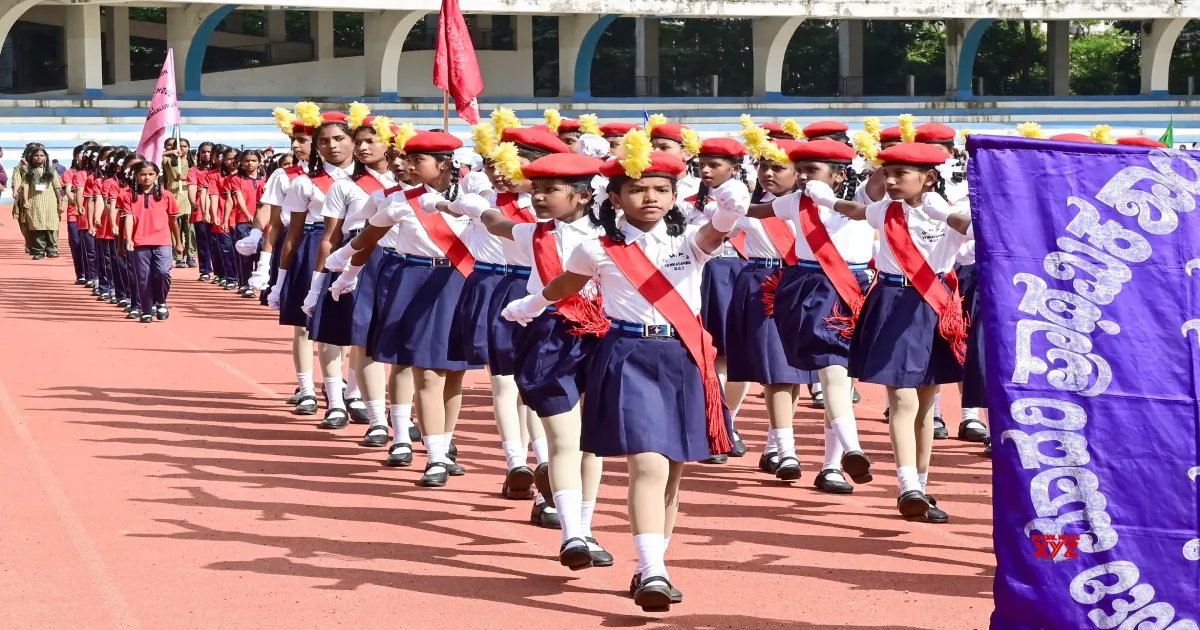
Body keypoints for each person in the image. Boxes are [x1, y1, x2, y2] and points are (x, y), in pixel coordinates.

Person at [502, 132, 742, 612]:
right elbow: (564, 285)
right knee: (648, 463)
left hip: (683, 356)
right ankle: (652, 569)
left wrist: (731, 207)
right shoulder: (596, 248)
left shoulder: (688, 239)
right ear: (614, 198)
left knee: (672, 472)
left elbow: (717, 229)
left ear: (674, 195)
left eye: (660, 189)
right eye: (637, 189)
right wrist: (529, 305)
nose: (649, 197)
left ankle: (652, 564)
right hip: (628, 355)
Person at [812, 141, 972, 524]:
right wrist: (825, 200)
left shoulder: (950, 211)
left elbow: (974, 230)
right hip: (892, 302)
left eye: (901, 174)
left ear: (928, 178)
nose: (891, 181)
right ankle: (907, 486)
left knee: (926, 403)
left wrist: (942, 213)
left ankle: (922, 486)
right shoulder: (886, 209)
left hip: (933, 306)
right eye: (888, 173)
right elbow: (856, 210)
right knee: (902, 400)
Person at [325, 130, 479, 487]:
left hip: (459, 283)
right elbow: (368, 237)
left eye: (418, 160)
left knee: (454, 373)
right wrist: (344, 267)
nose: (408, 166)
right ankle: (433, 456)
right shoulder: (399, 200)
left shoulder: (474, 198)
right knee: (422, 371)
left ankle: (445, 444)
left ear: (444, 164)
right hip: (414, 283)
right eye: (408, 159)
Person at [744, 139, 874, 491]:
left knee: (844, 377)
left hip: (855, 288)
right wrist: (726, 204)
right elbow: (756, 211)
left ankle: (834, 464)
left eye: (811, 170)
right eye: (799, 170)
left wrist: (829, 200)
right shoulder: (795, 201)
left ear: (839, 175)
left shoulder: (862, 195)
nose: (803, 177)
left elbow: (875, 191)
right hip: (811, 289)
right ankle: (851, 448)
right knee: (832, 370)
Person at [302, 109, 398, 435]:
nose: (363, 148)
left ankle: (393, 412)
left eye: (371, 141)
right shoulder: (345, 186)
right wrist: (317, 283)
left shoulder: (407, 184)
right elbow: (330, 238)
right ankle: (354, 409)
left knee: (395, 339)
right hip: (355, 258)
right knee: (354, 335)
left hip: (397, 261)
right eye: (359, 142)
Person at [269, 104, 356, 423]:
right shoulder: (303, 182)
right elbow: (291, 232)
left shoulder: (371, 181)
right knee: (305, 324)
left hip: (356, 245)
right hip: (314, 246)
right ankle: (306, 387)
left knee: (350, 323)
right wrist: (278, 279)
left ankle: (346, 387)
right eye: (323, 141)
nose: (331, 146)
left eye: (339, 139)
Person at [678, 137, 751, 463]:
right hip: (700, 277)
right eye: (702, 164)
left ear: (734, 169)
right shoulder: (686, 202)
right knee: (708, 354)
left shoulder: (748, 201)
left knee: (735, 356)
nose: (706, 170)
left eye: (714, 165)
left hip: (737, 275)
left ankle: (727, 422)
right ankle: (714, 424)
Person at [120, 161, 183, 322]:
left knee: (162, 272)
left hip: (163, 240)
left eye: (150, 174)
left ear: (157, 175)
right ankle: (146, 309)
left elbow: (173, 220)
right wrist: (128, 239)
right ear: (136, 176)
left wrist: (178, 242)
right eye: (142, 174)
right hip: (140, 241)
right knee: (143, 277)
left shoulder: (166, 195)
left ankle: (161, 302)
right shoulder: (128, 196)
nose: (146, 177)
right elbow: (128, 218)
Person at [15, 143, 66, 260]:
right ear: (32, 157)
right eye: (36, 155)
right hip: (34, 203)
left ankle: (52, 250)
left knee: (51, 226)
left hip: (50, 203)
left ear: (46, 157)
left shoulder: (51, 171)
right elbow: (25, 187)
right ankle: (39, 251)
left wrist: (60, 204)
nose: (39, 157)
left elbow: (57, 188)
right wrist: (26, 201)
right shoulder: (28, 171)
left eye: (42, 155)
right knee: (36, 226)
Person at [227, 149, 264, 298]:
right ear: (241, 162)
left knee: (262, 252)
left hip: (263, 222)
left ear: (259, 161)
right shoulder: (236, 179)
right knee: (245, 253)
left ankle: (260, 282)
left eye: (253, 160)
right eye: (246, 161)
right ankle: (244, 284)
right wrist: (248, 214)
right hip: (243, 221)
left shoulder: (265, 178)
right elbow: (239, 198)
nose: (250, 163)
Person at [163, 137, 196, 269]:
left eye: (184, 146)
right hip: (173, 198)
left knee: (189, 229)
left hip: (189, 199)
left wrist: (186, 178)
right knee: (175, 229)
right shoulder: (168, 160)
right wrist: (170, 152)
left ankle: (191, 255)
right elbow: (153, 157)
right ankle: (178, 257)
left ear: (188, 148)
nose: (181, 149)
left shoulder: (193, 163)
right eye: (178, 146)